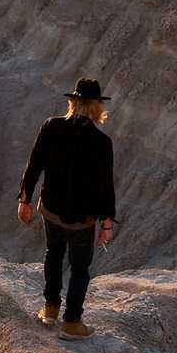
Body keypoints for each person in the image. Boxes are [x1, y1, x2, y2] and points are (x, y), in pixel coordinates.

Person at [16, 78, 120, 339]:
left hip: (51, 209)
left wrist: (24, 200)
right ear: (97, 107)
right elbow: (105, 186)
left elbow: (34, 164)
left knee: (53, 253)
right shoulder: (101, 142)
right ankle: (72, 322)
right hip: (82, 219)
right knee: (80, 268)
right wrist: (106, 223)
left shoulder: (51, 127)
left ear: (72, 102)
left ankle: (50, 310)